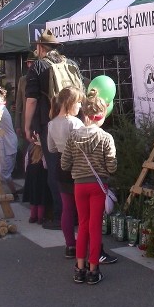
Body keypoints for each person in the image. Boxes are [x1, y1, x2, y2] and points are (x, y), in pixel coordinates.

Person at [24, 29, 80, 230]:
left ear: (40, 47)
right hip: (74, 122)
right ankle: (77, 215)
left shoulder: (38, 66)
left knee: (55, 170)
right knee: (74, 169)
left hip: (50, 124)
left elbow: (31, 101)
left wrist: (27, 126)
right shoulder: (71, 64)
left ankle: (61, 216)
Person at [61, 89, 116, 285]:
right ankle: (94, 269)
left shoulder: (73, 136)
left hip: (79, 186)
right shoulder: (106, 138)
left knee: (82, 225)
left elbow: (64, 164)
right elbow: (112, 166)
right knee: (95, 227)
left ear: (85, 114)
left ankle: (79, 267)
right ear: (101, 116)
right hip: (97, 186)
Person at [47, 86, 84, 258]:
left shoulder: (51, 123)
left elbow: (51, 148)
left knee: (67, 209)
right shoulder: (75, 123)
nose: (80, 107)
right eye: (78, 103)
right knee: (83, 210)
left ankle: (70, 245)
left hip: (61, 166)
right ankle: (85, 245)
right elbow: (83, 145)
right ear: (70, 103)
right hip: (77, 166)